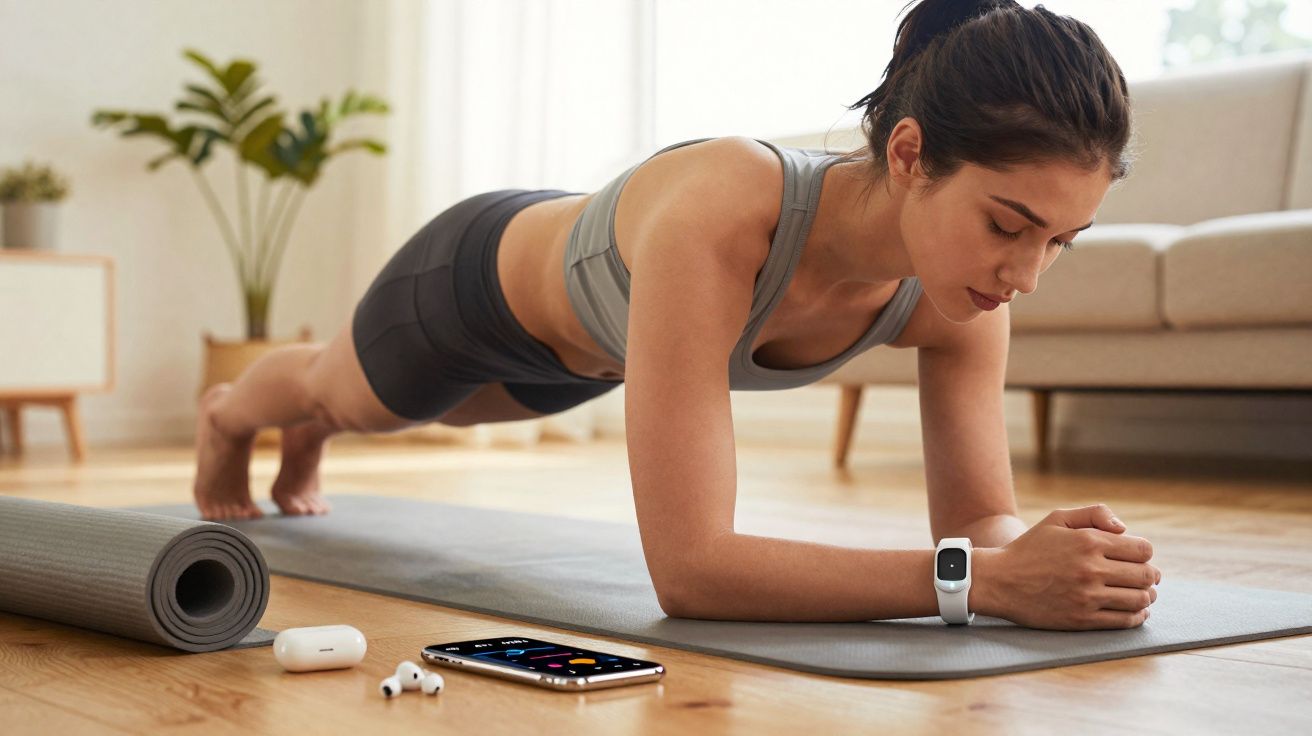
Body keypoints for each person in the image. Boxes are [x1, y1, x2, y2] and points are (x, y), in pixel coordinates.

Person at [193, 0, 1161, 630]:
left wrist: (1052, 558)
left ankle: (304, 428)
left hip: (584, 359)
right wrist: (978, 585)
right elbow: (693, 573)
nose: (1025, 274)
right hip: (472, 285)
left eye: (1058, 241)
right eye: (1008, 224)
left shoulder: (965, 298)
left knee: (434, 413)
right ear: (908, 155)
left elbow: (978, 520)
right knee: (353, 396)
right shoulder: (728, 206)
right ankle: (235, 413)